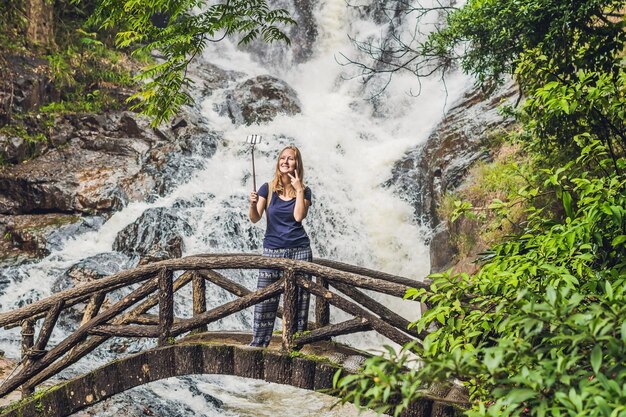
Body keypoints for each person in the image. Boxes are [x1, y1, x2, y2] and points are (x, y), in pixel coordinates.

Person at [248, 145, 313, 347]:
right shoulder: (267, 188)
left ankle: (294, 344)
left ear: (297, 163)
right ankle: (259, 343)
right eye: (282, 158)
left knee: (299, 301)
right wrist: (252, 203)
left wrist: (299, 189)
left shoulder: (306, 190)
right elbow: (255, 218)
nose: (285, 161)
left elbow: (298, 216)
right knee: (265, 298)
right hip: (272, 250)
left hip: (299, 250)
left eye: (290, 158)